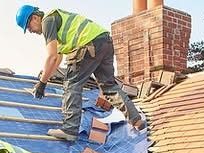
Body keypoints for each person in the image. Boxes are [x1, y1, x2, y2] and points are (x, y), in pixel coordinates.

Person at [16, 4, 144, 141]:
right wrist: (46, 77)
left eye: (28, 27)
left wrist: (42, 83)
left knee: (72, 84)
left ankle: (70, 129)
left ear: (35, 18)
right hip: (104, 41)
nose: (30, 31)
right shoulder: (57, 21)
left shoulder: (47, 21)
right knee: (109, 86)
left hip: (87, 44)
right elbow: (57, 58)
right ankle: (136, 120)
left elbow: (51, 56)